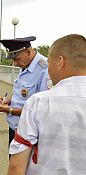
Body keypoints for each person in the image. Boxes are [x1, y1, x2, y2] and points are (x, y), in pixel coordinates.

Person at [7, 34, 86, 175]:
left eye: (49, 62)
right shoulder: (25, 69)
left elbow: (16, 166)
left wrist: (11, 110)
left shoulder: (39, 102)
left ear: (60, 62)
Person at [0, 36, 52, 156]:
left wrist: (9, 110)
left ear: (28, 52)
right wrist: (7, 101)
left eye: (17, 59)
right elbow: (23, 95)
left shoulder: (45, 70)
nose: (15, 64)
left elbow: (40, 110)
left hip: (28, 133)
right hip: (15, 128)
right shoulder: (26, 64)